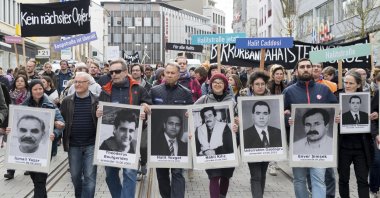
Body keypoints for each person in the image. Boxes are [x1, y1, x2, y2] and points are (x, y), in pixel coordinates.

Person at [283, 58, 337, 198]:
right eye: (302, 67)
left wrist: (337, 117)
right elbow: (280, 115)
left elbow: (335, 110)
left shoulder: (324, 90)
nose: (305, 69)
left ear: (313, 69)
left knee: (319, 179)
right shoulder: (288, 92)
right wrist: (286, 118)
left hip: (321, 146)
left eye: (308, 66)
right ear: (296, 71)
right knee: (299, 179)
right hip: (297, 143)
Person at [96, 58, 151, 198]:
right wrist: (97, 112)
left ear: (126, 72)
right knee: (110, 175)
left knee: (129, 173)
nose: (113, 74)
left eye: (117, 71)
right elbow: (97, 108)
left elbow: (147, 103)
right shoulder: (105, 90)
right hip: (111, 141)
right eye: (111, 72)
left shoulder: (138, 89)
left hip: (131, 139)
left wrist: (145, 107)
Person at [6, 79, 65, 198]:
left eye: (40, 89)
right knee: (35, 178)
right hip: (29, 151)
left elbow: (62, 123)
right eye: (35, 89)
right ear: (30, 91)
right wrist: (9, 130)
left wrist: (56, 131)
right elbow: (15, 124)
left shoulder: (50, 105)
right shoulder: (23, 106)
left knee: (40, 180)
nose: (38, 91)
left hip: (45, 148)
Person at [150, 62, 193, 198]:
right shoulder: (155, 90)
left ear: (178, 75)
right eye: (167, 73)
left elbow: (191, 115)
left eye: (172, 73)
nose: (169, 75)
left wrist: (189, 115)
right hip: (159, 140)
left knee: (178, 173)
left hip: (179, 140)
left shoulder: (185, 93)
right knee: (161, 175)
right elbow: (148, 111)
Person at [193, 73, 236, 198]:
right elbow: (190, 111)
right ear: (211, 85)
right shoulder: (204, 99)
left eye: (220, 82)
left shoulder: (231, 101)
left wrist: (237, 123)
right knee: (214, 175)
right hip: (209, 153)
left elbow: (238, 118)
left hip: (229, 146)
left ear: (225, 85)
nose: (217, 84)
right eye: (215, 82)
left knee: (226, 175)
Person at [337, 70, 377, 198]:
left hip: (362, 147)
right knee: (343, 180)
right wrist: (335, 119)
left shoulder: (368, 100)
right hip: (343, 146)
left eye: (351, 83)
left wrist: (376, 116)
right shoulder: (337, 97)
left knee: (363, 180)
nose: (347, 85)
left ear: (358, 84)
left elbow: (375, 119)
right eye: (345, 82)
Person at [60, 72, 98, 198]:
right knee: (75, 176)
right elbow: (62, 120)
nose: (78, 84)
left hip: (91, 144)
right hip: (74, 145)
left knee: (90, 177)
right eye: (76, 81)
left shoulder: (97, 101)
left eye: (81, 82)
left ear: (89, 84)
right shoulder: (67, 101)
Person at [239, 71, 275, 198]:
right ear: (252, 86)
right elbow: (235, 115)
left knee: (263, 173)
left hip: (266, 143)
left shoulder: (272, 99)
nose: (260, 86)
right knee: (256, 175)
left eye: (262, 84)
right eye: (257, 84)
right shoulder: (242, 98)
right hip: (250, 142)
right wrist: (237, 120)